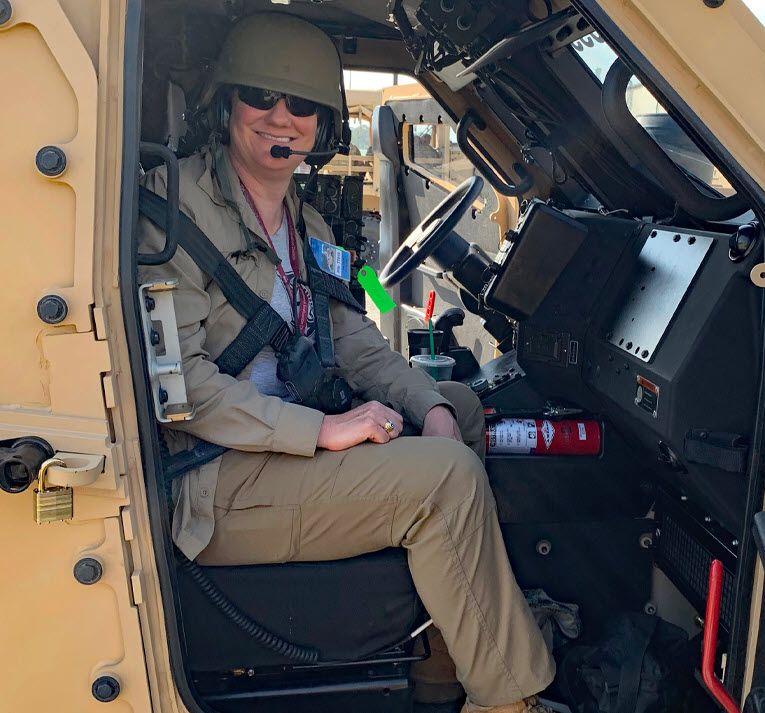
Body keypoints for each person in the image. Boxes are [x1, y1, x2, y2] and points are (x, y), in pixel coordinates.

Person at [138, 13, 554, 713]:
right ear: (226, 103)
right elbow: (179, 388)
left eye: (300, 104)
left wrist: (431, 407)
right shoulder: (174, 212)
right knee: (443, 480)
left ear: (323, 122)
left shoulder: (306, 223)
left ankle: (440, 673)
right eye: (260, 98)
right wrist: (322, 433)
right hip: (212, 484)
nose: (281, 118)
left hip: (277, 449)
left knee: (463, 404)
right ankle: (509, 701)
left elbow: (351, 339)